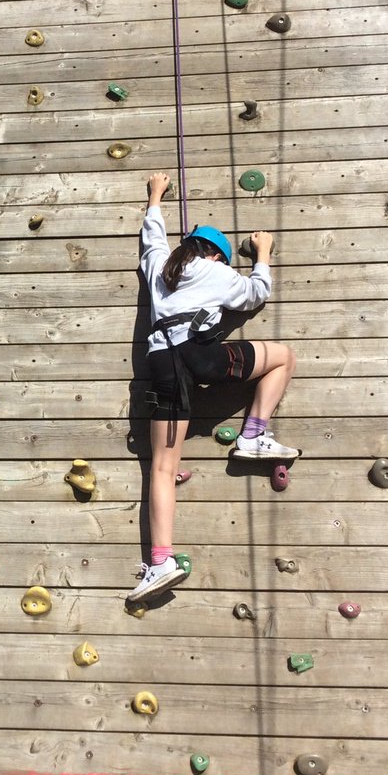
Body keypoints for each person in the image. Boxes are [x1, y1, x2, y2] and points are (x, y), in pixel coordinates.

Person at [128, 171, 299, 603]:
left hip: (162, 362)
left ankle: (161, 561)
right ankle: (254, 435)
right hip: (202, 354)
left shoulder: (159, 267)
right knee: (283, 356)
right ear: (219, 256)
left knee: (162, 469)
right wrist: (263, 253)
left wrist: (155, 197)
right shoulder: (216, 272)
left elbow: (152, 237)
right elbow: (256, 293)